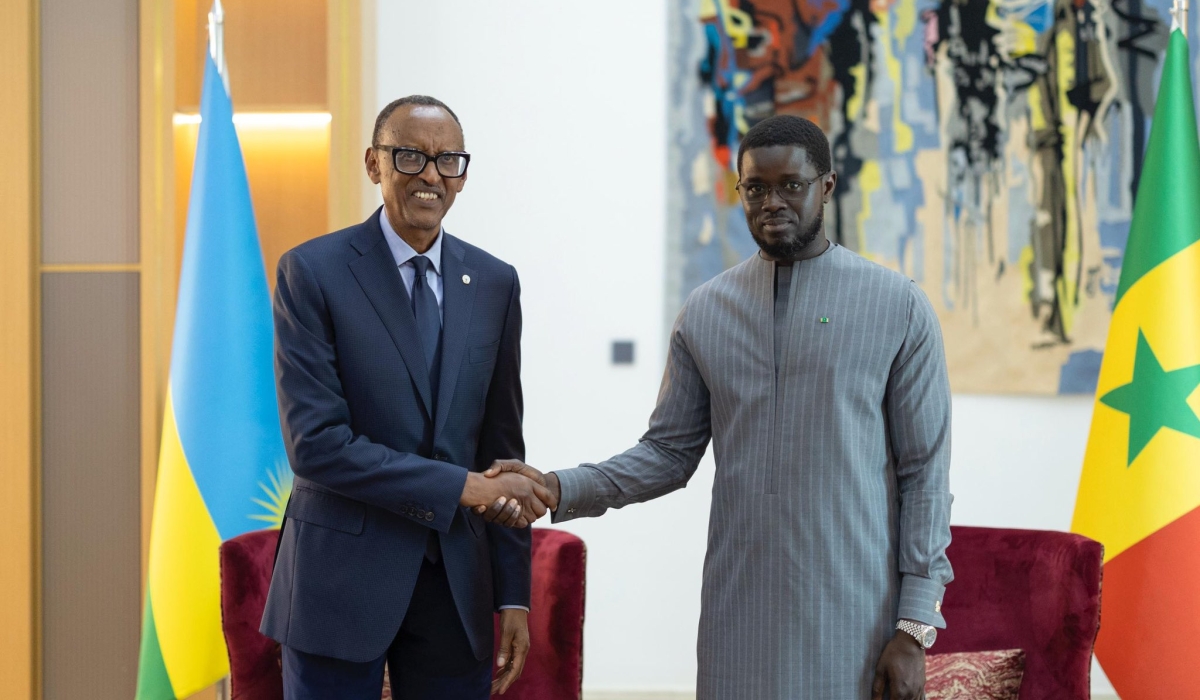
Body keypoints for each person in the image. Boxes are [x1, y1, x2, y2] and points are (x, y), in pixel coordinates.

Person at [481, 115, 953, 699]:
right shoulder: (708, 311)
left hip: (855, 613)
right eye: (755, 188)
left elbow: (924, 476)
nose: (772, 202)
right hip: (738, 611)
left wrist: (913, 627)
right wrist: (557, 486)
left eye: (792, 185)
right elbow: (667, 454)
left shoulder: (897, 306)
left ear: (827, 186)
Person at [261, 95, 554, 699]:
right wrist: (464, 487)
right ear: (374, 164)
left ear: (463, 176)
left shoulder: (495, 282)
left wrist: (512, 594)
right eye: (410, 156)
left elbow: (502, 443)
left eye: (448, 160)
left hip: (455, 591)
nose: (430, 175)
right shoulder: (312, 272)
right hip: (337, 588)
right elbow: (317, 447)